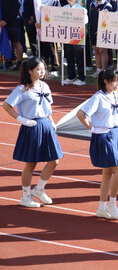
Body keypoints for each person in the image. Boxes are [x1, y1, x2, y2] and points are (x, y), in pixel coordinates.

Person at [2, 57, 63, 208]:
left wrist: (52, 121)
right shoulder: (21, 89)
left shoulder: (45, 86)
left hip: (46, 125)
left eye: (43, 69)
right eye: (38, 69)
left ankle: (39, 189)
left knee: (55, 160)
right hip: (31, 126)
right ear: (30, 71)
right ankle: (25, 195)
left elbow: (47, 107)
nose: (42, 72)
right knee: (31, 163)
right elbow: (7, 105)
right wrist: (21, 119)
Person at [76, 67, 118, 219]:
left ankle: (101, 207)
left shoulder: (117, 96)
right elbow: (81, 114)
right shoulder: (98, 98)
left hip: (115, 135)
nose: (117, 84)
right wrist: (92, 128)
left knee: (108, 172)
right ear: (106, 81)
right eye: (114, 81)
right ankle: (112, 205)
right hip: (103, 135)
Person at [62, 0, 87, 86]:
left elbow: (84, 22)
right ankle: (71, 76)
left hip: (78, 37)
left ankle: (81, 78)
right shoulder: (64, 8)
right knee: (69, 56)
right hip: (67, 36)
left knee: (79, 57)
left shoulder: (82, 9)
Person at [0, 0, 24, 70]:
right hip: (3, 23)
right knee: (6, 42)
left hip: (14, 23)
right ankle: (8, 61)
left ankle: (20, 62)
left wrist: (6, 20)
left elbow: (16, 10)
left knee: (16, 42)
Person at [88, 0, 113, 77]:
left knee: (103, 51)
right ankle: (98, 70)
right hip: (93, 30)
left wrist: (102, 30)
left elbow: (108, 20)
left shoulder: (107, 6)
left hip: (103, 31)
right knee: (96, 50)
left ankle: (104, 70)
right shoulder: (92, 4)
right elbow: (90, 17)